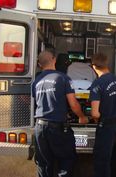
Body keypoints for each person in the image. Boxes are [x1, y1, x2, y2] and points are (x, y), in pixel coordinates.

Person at [31, 49, 88, 177]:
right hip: (57, 127)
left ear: (40, 64)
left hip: (39, 127)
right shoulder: (63, 78)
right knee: (66, 159)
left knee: (43, 162)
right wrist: (82, 117)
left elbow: (39, 102)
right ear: (54, 60)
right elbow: (73, 104)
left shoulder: (36, 81)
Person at [89, 53, 116, 177]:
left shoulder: (97, 84)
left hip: (107, 127)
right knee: (115, 159)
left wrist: (96, 119)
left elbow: (95, 113)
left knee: (102, 161)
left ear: (94, 66)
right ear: (107, 64)